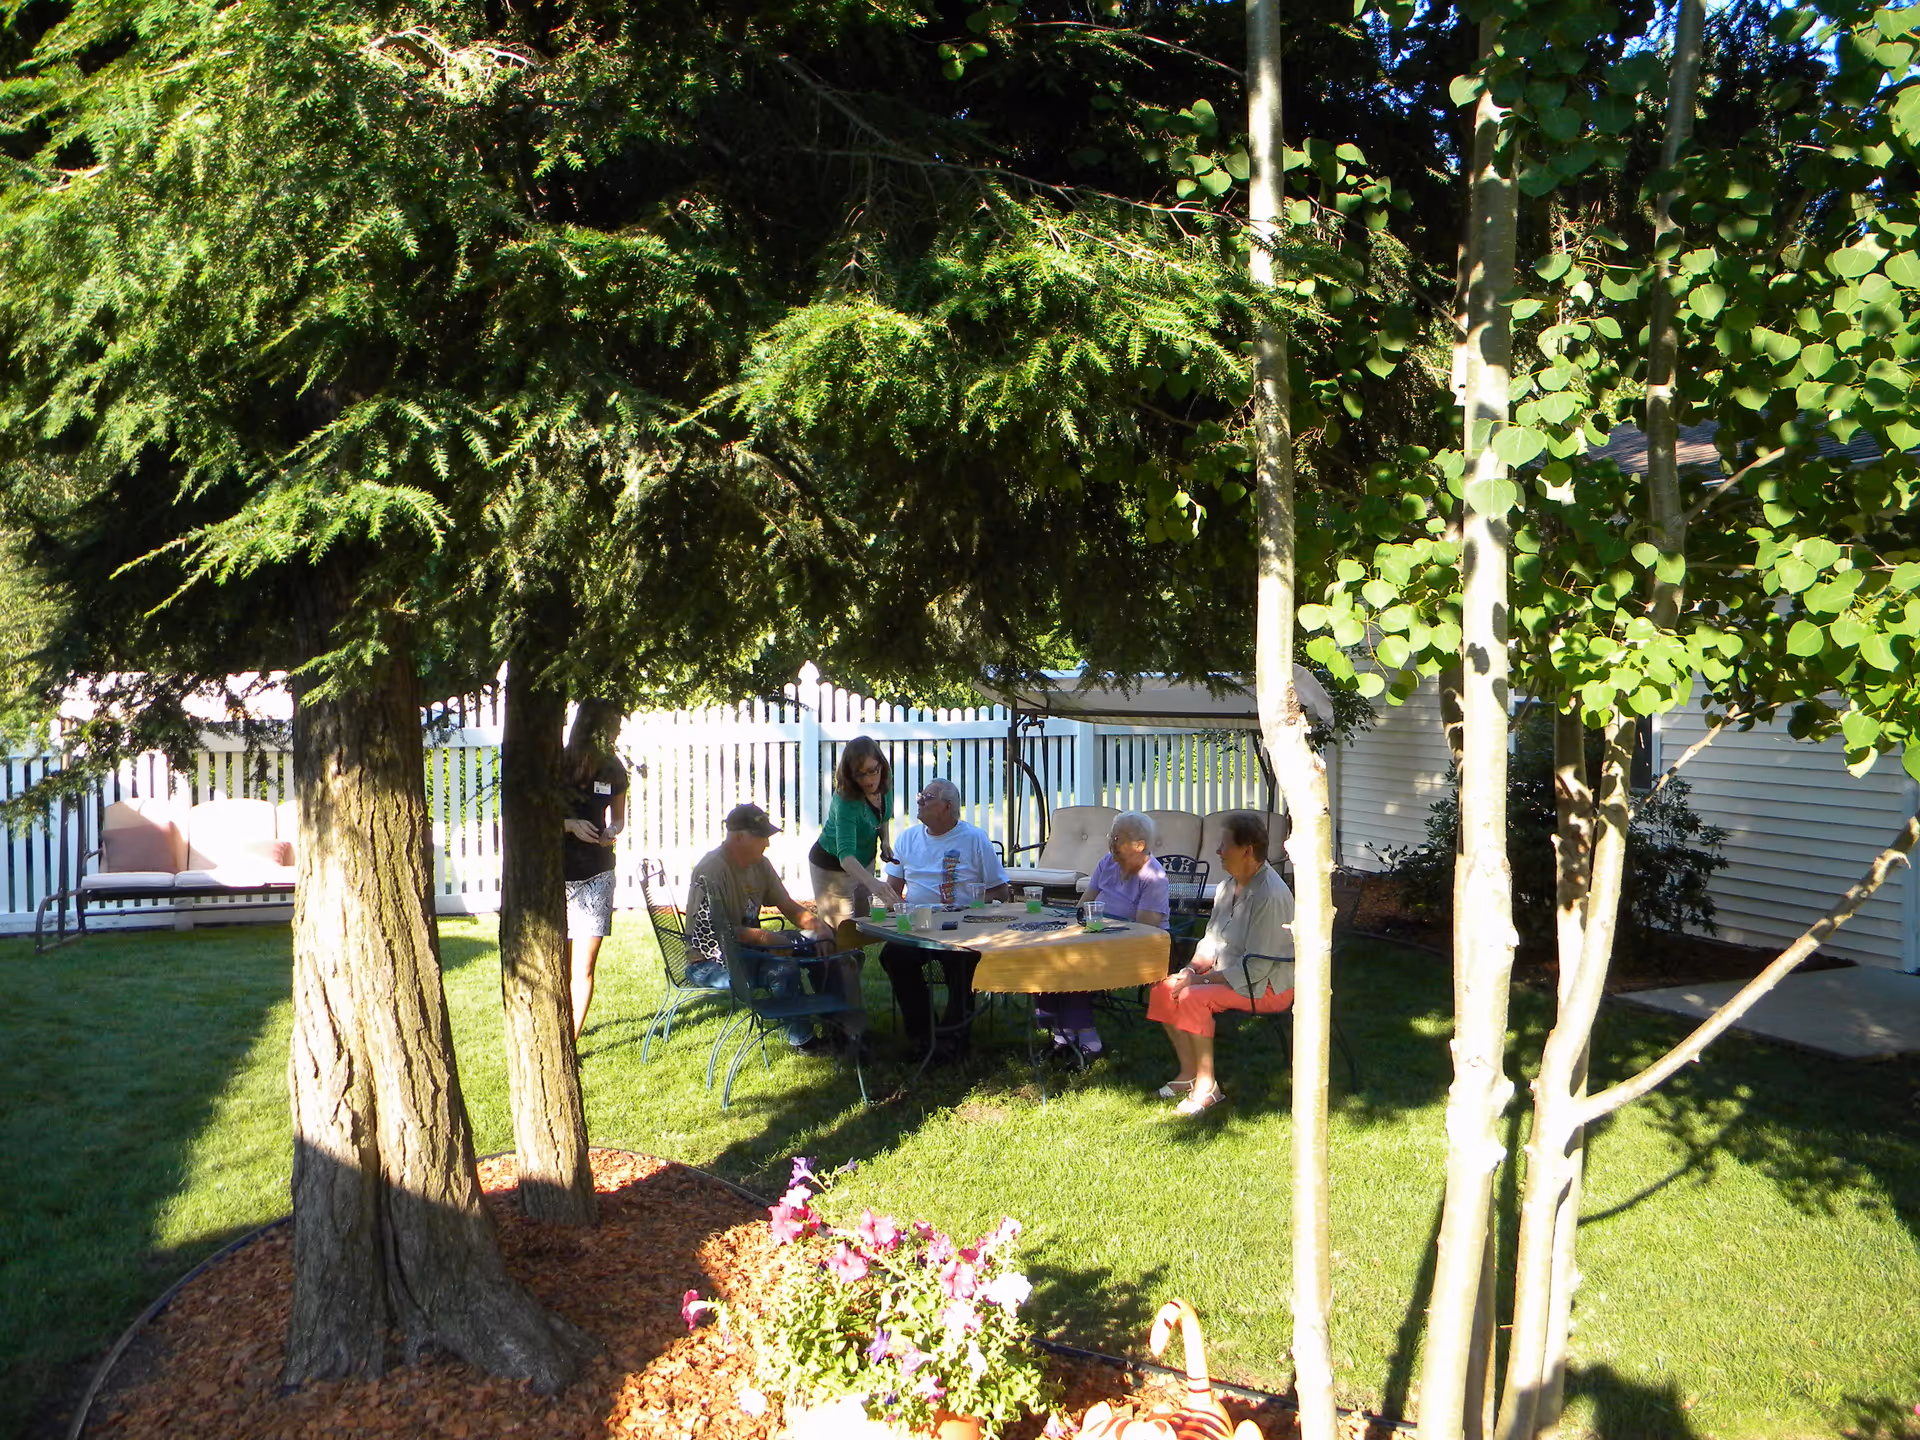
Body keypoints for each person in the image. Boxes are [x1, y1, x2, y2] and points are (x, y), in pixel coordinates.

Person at [1145, 811, 1294, 1115]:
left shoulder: (1270, 895)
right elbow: (1210, 941)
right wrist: (1191, 969)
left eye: (1224, 844)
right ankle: (1188, 1074)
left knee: (1191, 996)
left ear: (1248, 850)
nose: (1217, 851)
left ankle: (1207, 1087)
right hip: (1230, 975)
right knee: (1162, 989)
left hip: (1268, 986)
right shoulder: (1228, 887)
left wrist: (1198, 981)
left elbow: (1257, 969)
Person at [686, 803, 860, 1054]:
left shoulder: (760, 864)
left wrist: (818, 927)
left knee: (824, 949)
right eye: (761, 837)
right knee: (783, 969)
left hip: (751, 949)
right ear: (739, 837)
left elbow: (787, 905)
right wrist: (770, 939)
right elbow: (716, 933)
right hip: (713, 960)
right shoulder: (711, 870)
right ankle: (805, 1041)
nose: (767, 844)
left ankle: (841, 1028)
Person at [879, 778, 1011, 1060]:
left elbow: (1001, 891)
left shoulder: (974, 838)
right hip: (918, 925)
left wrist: (966, 910)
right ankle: (924, 1035)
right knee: (893, 956)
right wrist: (895, 908)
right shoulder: (908, 838)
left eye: (928, 797)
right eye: (920, 794)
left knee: (964, 962)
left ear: (947, 806)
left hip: (960, 927)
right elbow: (892, 890)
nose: (919, 801)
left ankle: (953, 1038)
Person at [1035, 810, 1169, 1057]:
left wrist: (1102, 933)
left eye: (1118, 838)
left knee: (1075, 961)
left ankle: (1089, 1040)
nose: (1111, 842)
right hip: (1097, 936)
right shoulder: (1108, 862)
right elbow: (1085, 903)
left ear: (1139, 845)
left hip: (1135, 948)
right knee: (1049, 952)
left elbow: (1144, 931)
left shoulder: (1154, 877)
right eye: (1111, 835)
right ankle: (1061, 1033)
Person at [560, 699, 627, 1038]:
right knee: (557, 960)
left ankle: (570, 1041)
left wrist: (611, 832)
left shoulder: (614, 768)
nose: (618, 730)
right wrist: (569, 825)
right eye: (613, 724)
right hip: (558, 873)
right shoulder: (559, 763)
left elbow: (618, 819)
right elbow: (534, 817)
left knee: (583, 966)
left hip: (598, 874)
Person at [809, 738, 894, 943]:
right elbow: (845, 856)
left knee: (860, 931)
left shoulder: (884, 784)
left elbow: (882, 817)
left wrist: (885, 841)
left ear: (881, 764)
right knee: (841, 937)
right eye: (860, 774)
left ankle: (854, 973)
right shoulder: (846, 801)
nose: (868, 779)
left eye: (873, 770)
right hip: (832, 868)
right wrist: (874, 884)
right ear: (850, 775)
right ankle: (830, 972)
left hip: (864, 862)